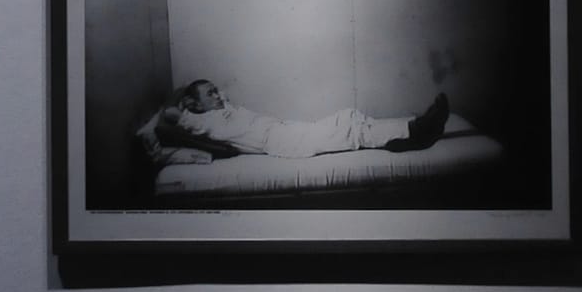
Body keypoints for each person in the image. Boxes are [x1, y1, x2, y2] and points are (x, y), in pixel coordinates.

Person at [139, 78, 451, 167]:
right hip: (282, 143)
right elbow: (169, 115)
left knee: (348, 115)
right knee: (349, 130)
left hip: (287, 130)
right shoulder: (201, 123)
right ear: (194, 104)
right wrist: (186, 103)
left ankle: (400, 139)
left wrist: (202, 97)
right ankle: (416, 131)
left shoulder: (220, 110)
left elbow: (206, 99)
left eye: (216, 90)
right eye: (210, 93)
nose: (219, 95)